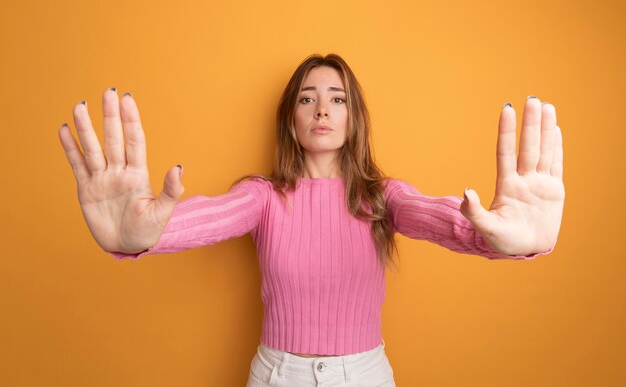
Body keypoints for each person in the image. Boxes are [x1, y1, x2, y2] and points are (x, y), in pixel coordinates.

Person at [58, 53, 564, 387]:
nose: (322, 109)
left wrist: (499, 237)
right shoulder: (262, 197)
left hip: (365, 376)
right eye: (307, 98)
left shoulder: (384, 198)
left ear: (353, 117)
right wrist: (143, 233)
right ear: (291, 118)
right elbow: (204, 217)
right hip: (277, 377)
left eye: (337, 99)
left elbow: (436, 216)